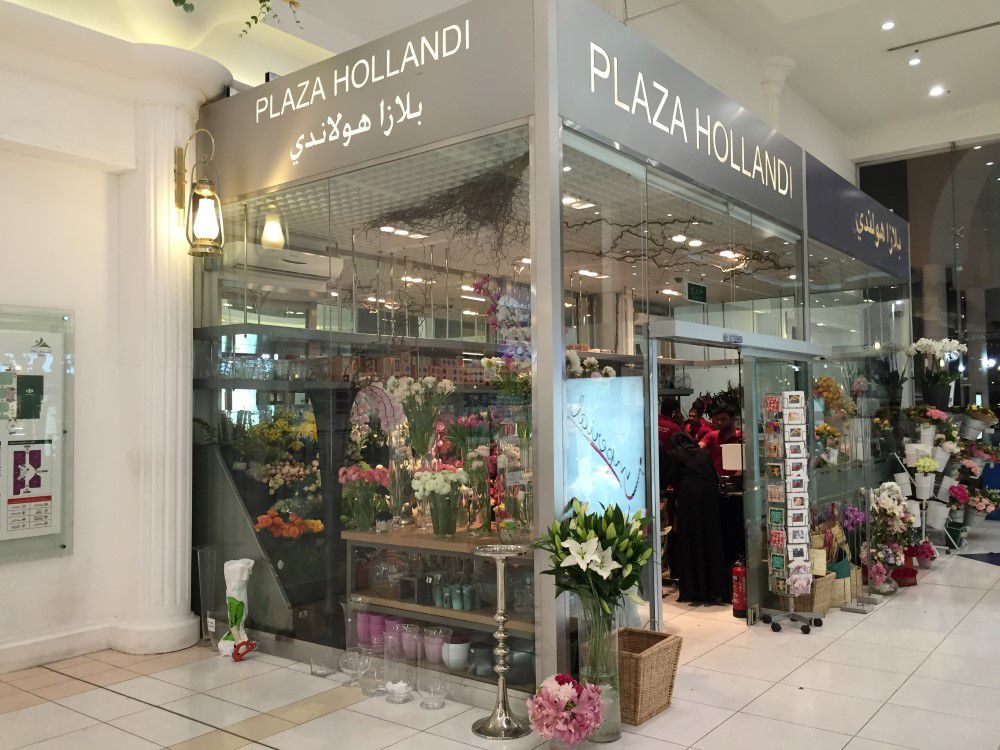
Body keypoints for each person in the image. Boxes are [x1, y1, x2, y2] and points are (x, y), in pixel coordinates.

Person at [660, 431, 729, 603]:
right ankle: (714, 588)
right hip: (709, 502)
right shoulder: (702, 454)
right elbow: (714, 477)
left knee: (690, 541)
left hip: (688, 501)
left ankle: (693, 588)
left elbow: (669, 479)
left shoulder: (675, 455)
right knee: (710, 541)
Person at [701, 406, 743, 477]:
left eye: (723, 419)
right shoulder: (712, 436)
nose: (719, 422)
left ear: (732, 420)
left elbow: (746, 462)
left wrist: (735, 478)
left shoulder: (742, 437)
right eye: (718, 419)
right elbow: (698, 448)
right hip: (714, 480)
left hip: (736, 480)